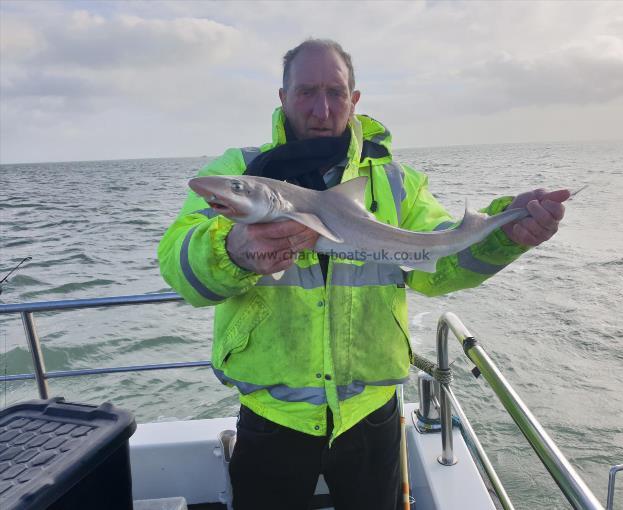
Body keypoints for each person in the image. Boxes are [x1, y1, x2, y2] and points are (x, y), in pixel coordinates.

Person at [158, 38, 569, 510]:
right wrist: (230, 249)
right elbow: (178, 265)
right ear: (283, 98)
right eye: (306, 92)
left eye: (334, 92)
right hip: (271, 415)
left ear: (354, 100)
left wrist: (503, 233)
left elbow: (439, 270)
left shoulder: (393, 181)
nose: (321, 107)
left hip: (370, 415)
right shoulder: (239, 171)